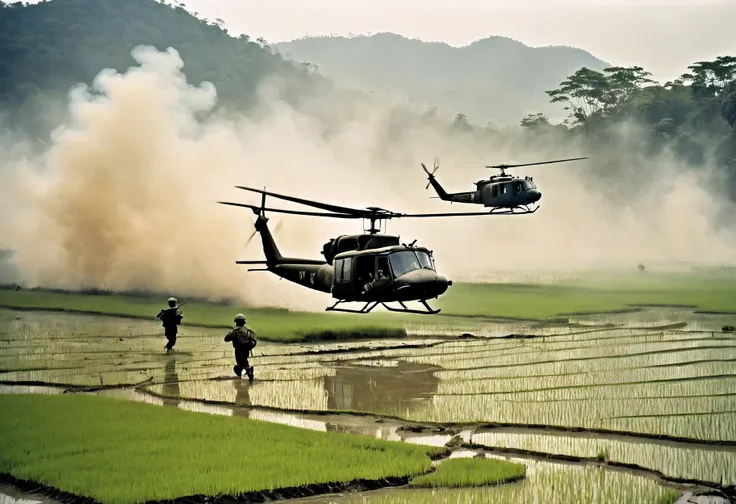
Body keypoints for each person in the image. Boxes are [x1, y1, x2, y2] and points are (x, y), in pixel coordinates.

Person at [224, 313, 257, 382]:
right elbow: (254, 340)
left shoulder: (236, 331)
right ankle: (248, 373)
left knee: (238, 366)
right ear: (244, 322)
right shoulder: (248, 331)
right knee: (244, 363)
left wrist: (232, 331)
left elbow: (226, 339)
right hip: (247, 350)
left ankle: (248, 371)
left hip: (239, 349)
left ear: (236, 322)